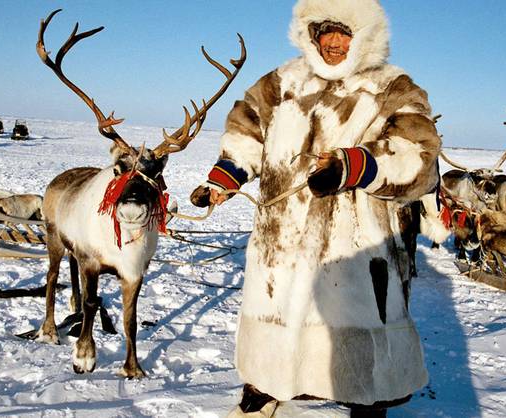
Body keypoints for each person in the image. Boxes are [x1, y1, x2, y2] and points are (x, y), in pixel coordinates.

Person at [189, 0, 441, 416]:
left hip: (356, 244)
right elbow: (247, 128)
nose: (334, 42)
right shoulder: (281, 83)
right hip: (281, 239)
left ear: (364, 36)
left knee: (356, 329)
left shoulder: (393, 88)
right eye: (325, 31)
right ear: (309, 33)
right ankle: (265, 385)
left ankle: (368, 399)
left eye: (344, 32)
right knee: (277, 311)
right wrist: (227, 175)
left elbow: (418, 156)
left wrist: (355, 165)